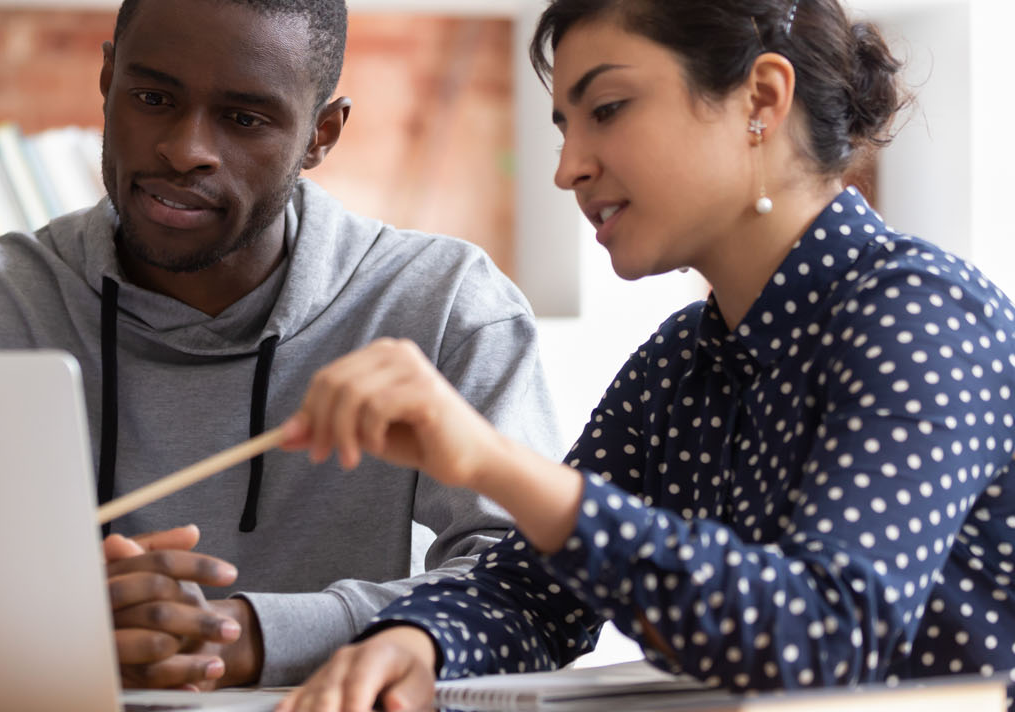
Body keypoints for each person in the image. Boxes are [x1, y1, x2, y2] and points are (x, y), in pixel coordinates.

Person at [275, 0, 1015, 710]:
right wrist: (416, 642)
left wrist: (491, 463)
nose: (568, 169)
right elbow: (533, 595)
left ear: (761, 97)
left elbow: (821, 639)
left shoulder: (923, 312)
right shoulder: (678, 362)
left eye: (608, 110)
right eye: (565, 126)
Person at [0, 0, 562, 690]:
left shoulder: (444, 304)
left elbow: (535, 590)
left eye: (244, 119)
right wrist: (44, 624)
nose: (185, 150)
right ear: (107, 81)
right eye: (153, 97)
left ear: (320, 135)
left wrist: (248, 637)